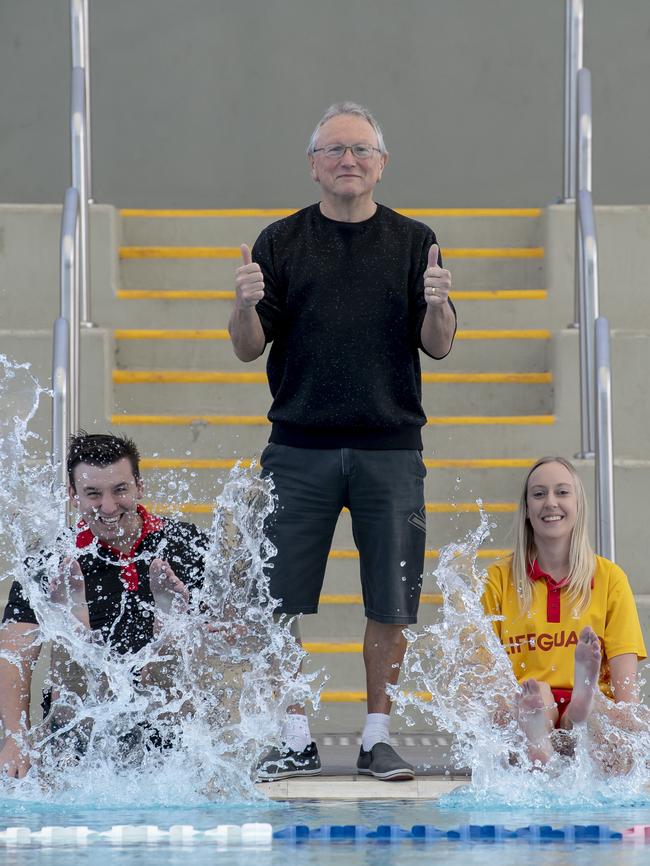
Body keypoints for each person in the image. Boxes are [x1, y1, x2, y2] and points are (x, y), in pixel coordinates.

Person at [229, 101, 457, 781]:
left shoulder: (417, 240)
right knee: (275, 597)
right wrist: (242, 302)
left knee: (391, 599)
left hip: (390, 446)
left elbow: (439, 347)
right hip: (298, 446)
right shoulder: (280, 240)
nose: (347, 161)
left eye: (360, 150)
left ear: (381, 163)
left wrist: (439, 300)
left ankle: (376, 736)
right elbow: (247, 350)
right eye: (333, 151)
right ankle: (295, 734)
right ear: (313, 165)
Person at [0, 432, 207, 779]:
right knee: (74, 653)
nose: (108, 507)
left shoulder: (186, 545)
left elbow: (230, 639)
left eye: (120, 490)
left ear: (139, 487)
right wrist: (15, 737)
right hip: (81, 727)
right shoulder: (54, 560)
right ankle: (75, 623)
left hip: (168, 722)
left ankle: (167, 625)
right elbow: (13, 650)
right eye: (93, 494)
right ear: (72, 495)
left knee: (177, 646)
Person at [482, 456, 647, 765]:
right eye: (539, 493)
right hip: (527, 707)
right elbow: (487, 684)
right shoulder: (499, 579)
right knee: (535, 698)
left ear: (578, 505)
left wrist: (633, 737)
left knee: (597, 713)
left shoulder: (609, 579)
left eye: (562, 492)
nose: (550, 502)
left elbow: (627, 696)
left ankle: (577, 707)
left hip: (592, 721)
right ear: (527, 509)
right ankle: (541, 736)